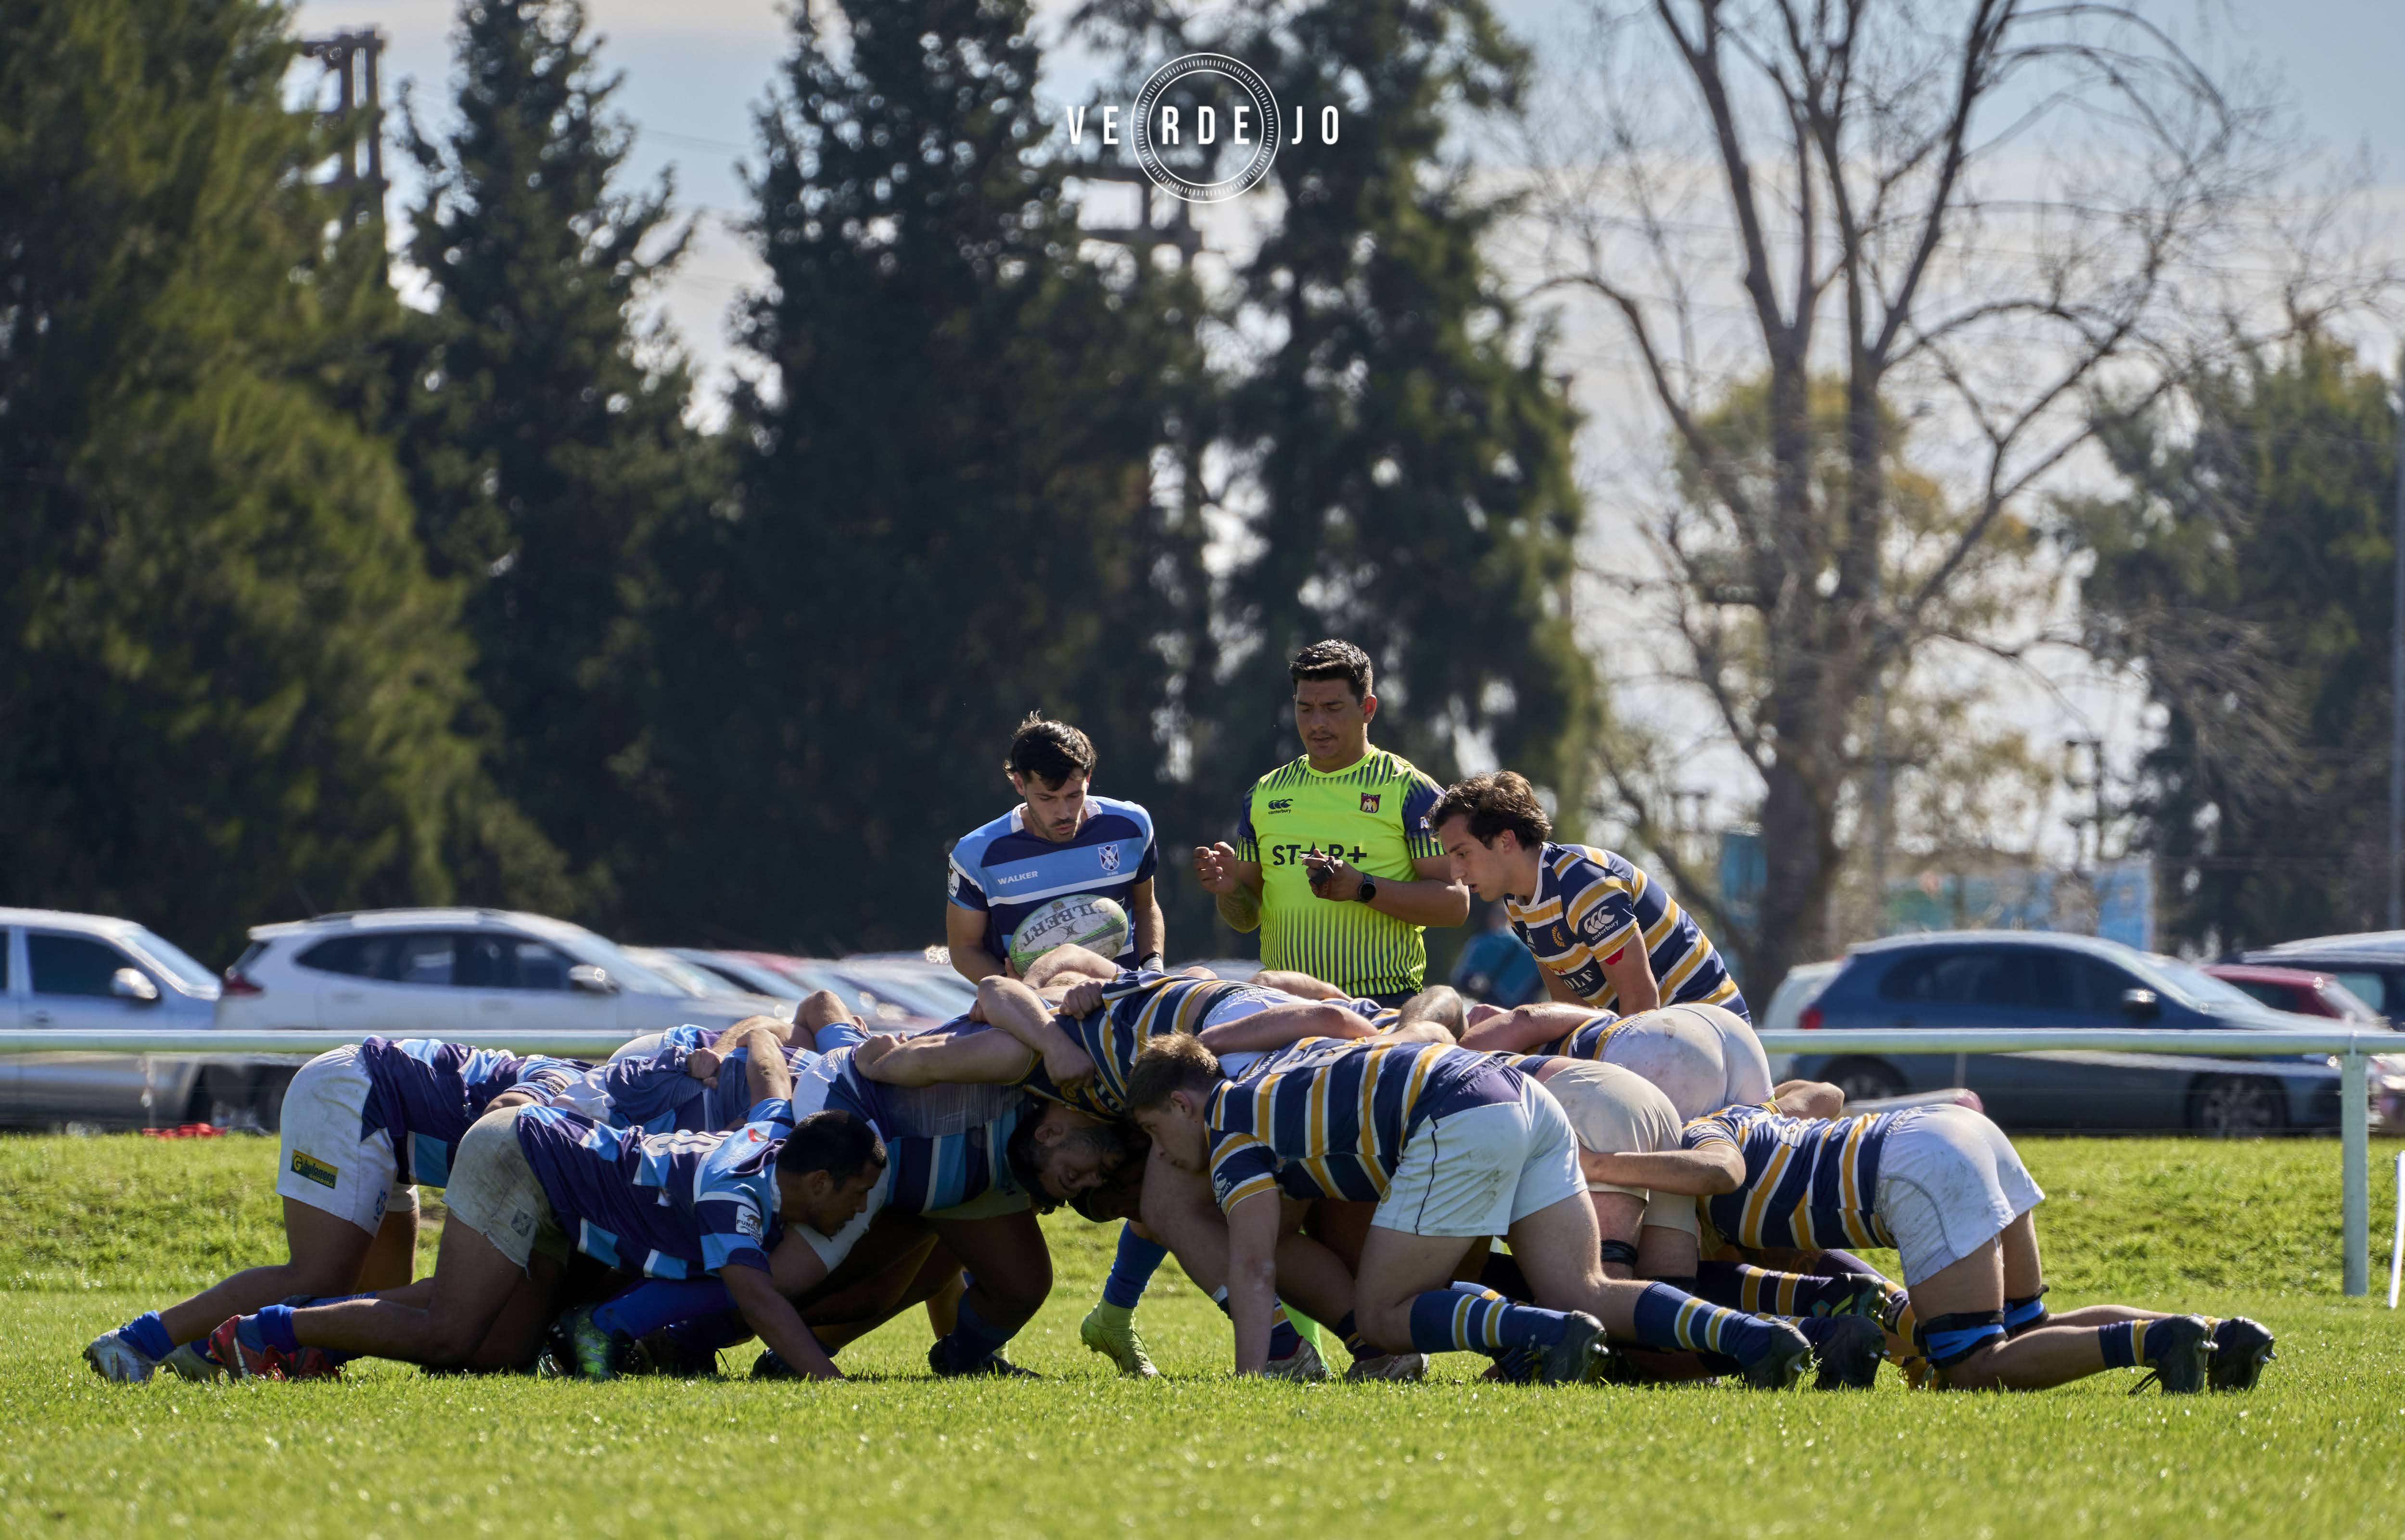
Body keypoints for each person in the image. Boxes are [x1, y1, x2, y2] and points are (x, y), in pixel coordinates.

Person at [1123, 1035, 1813, 1388]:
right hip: (1521, 1094)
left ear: (1183, 1104)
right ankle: (1756, 1339)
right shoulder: (1272, 1076)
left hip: (1457, 1112)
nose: (1162, 1152)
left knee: (1382, 1316)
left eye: (1155, 1131)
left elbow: (1252, 1265)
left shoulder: (1230, 1130)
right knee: (1586, 1288)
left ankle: (1547, 1334)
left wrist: (1250, 1381)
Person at [208, 1032, 865, 1381]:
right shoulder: (736, 1194)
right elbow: (759, 1302)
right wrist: (828, 1384)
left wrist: (744, 1043)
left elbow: (767, 1061)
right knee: (449, 1331)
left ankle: (297, 1331)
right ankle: (272, 1331)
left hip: (546, 1170)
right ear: (818, 1182)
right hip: (518, 1153)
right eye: (858, 1195)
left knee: (498, 1347)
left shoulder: (773, 1131)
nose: (860, 1211)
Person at [1588, 1090, 2278, 1392]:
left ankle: (2159, 1341)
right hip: (1960, 1131)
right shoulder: (1750, 1111)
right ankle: (2218, 1334)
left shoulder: (1697, 1138)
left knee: (1972, 1366)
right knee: (2028, 1329)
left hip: (1915, 1165)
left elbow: (1715, 1175)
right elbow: (1822, 1093)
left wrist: (1596, 1165)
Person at [82, 1036, 588, 1384]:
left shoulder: (599, 1092)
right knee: (319, 1275)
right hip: (353, 1096)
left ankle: (227, 1346)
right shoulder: (583, 1089)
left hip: (385, 1122)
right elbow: (501, 1115)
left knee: (386, 1296)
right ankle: (137, 1342)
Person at [1192, 639, 1468, 1013]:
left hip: (1381, 1004)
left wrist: (1362, 887)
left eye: (1332, 708)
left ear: (1367, 709)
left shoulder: (1411, 790)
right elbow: (1246, 918)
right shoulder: (1263, 794)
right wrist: (1229, 892)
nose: (1317, 723)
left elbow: (1454, 904)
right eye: (1305, 709)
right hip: (1283, 1004)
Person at [1430, 770, 1749, 1021]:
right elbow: (1574, 1014)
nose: (1456, 872)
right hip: (1668, 1035)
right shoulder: (1517, 903)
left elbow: (1640, 1002)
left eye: (1462, 854)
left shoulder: (1581, 883)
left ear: (1506, 840)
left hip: (1716, 1030)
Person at [947, 714, 1163, 981]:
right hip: (1037, 1003)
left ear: (1088, 779)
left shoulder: (1131, 826)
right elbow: (964, 948)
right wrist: (1018, 991)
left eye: (1074, 795)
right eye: (1047, 798)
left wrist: (1153, 970)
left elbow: (1145, 906)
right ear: (1019, 784)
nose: (1064, 813)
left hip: (1122, 998)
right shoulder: (976, 854)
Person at [1459, 1001, 1772, 1121]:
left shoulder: (1494, 1061)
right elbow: (1526, 1018)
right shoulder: (1466, 1054)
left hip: (1648, 1050)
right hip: (1719, 1028)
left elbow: (1526, 1018)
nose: (1477, 1012)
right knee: (1767, 1148)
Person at [1451, 904, 1545, 1007]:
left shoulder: (1481, 943)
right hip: (1520, 1010)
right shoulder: (1531, 949)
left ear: (1491, 918)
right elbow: (1540, 983)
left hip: (1484, 1006)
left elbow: (1461, 978)